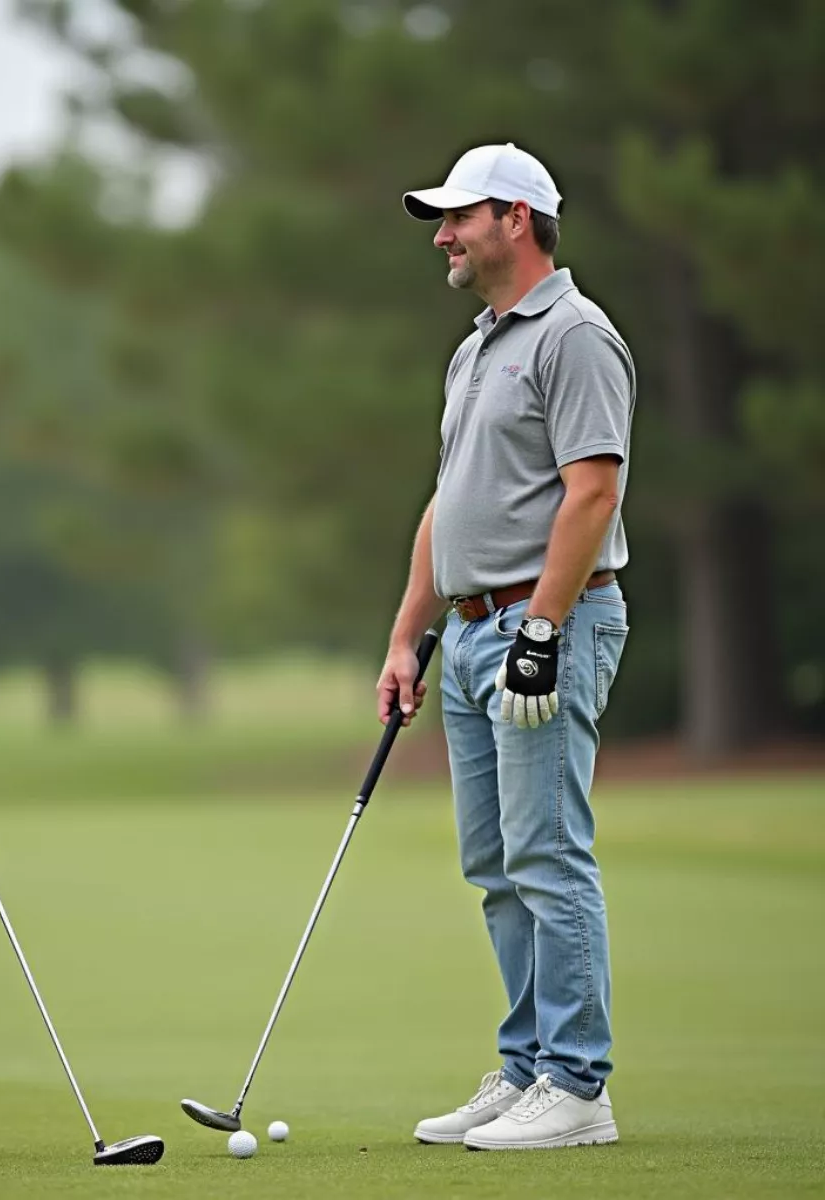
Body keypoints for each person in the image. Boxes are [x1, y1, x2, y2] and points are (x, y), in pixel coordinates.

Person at [379, 143, 635, 1151]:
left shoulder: (576, 336)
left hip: (547, 627)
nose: (441, 236)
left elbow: (594, 491)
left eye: (457, 217)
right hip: (473, 632)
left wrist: (540, 631)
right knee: (494, 863)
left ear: (516, 220)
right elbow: (451, 504)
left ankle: (576, 1086)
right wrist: (409, 633)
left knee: (547, 852)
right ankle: (528, 1063)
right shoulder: (478, 344)